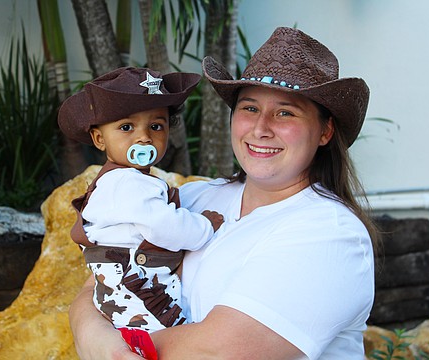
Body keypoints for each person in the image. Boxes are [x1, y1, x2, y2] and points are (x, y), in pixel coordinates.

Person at [69, 27, 378, 359]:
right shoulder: (196, 197)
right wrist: (96, 339)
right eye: (249, 108)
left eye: (285, 112)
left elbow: (217, 352)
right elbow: (98, 284)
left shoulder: (329, 233)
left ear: (325, 131)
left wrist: (114, 347)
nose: (261, 128)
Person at [58, 67, 224, 350]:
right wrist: (204, 226)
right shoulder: (129, 183)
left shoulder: (114, 181)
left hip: (121, 289)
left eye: (156, 126)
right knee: (170, 342)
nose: (144, 137)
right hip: (140, 292)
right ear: (99, 139)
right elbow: (165, 227)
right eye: (126, 127)